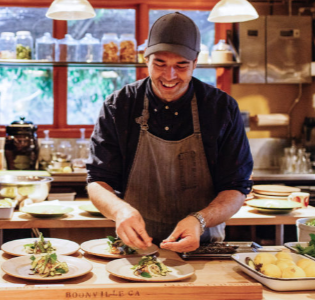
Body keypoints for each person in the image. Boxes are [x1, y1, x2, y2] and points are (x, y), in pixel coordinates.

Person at [86, 12, 253, 253]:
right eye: (160, 64)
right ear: (146, 60)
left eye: (181, 65)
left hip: (202, 246)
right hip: (134, 245)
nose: (169, 75)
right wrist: (120, 211)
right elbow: (97, 180)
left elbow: (236, 187)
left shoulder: (220, 108)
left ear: (195, 63)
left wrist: (199, 220)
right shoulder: (119, 105)